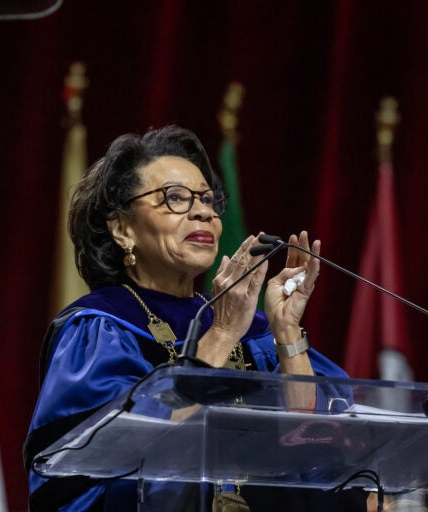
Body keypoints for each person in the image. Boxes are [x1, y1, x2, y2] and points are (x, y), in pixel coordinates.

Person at [24, 125, 366, 511]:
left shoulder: (252, 329)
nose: (204, 211)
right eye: (175, 198)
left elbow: (313, 438)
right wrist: (220, 333)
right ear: (121, 229)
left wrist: (285, 329)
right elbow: (113, 455)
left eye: (207, 199)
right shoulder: (102, 326)